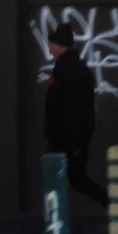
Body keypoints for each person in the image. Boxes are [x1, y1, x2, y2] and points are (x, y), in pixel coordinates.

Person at [43, 20, 103, 205]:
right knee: (76, 180)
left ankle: (53, 227)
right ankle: (113, 202)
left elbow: (75, 107)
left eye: (51, 44)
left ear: (59, 46)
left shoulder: (70, 70)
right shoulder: (69, 68)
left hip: (66, 139)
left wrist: (76, 142)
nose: (49, 48)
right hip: (64, 138)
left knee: (66, 180)